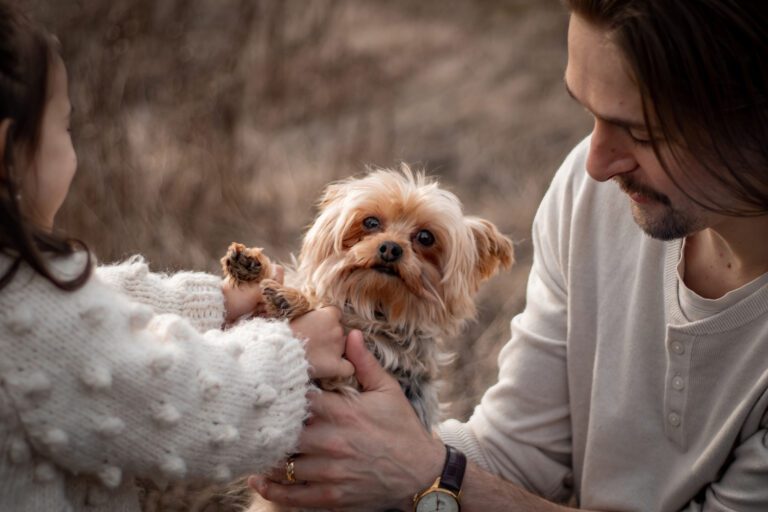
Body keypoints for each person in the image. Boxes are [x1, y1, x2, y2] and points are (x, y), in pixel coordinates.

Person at [250, 1, 768, 510]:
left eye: (644, 132)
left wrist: (431, 476)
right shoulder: (593, 198)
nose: (595, 165)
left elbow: (440, 477)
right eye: (587, 114)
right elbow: (520, 452)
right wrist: (359, 451)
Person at [0, 3, 355, 511]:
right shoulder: (26, 325)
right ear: (8, 151)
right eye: (64, 127)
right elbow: (178, 404)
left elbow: (90, 307)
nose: (71, 147)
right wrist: (289, 351)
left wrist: (215, 303)